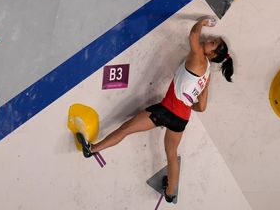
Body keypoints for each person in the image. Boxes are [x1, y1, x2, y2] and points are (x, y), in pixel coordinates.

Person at [77, 17, 234, 202]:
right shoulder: (207, 76)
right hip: (181, 119)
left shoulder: (199, 57)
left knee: (126, 128)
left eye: (212, 43)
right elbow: (202, 106)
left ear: (213, 55)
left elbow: (193, 35)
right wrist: (185, 102)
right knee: (171, 156)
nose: (208, 40)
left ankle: (93, 149)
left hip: (165, 110)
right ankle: (169, 194)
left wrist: (201, 22)